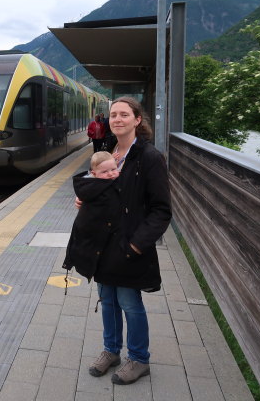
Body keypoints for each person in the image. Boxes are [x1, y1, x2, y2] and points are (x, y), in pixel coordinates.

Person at [78, 97, 172, 385]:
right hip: (104, 243)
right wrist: (85, 200)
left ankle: (139, 359)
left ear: (137, 119)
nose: (117, 119)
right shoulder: (109, 153)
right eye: (113, 115)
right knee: (107, 300)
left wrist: (136, 244)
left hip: (130, 245)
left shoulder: (149, 157)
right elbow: (103, 191)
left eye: (124, 115)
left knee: (129, 301)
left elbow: (161, 210)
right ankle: (111, 351)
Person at [62, 151, 120, 282]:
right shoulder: (105, 187)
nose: (111, 174)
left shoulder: (90, 186)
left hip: (101, 249)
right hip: (102, 247)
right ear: (94, 174)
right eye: (105, 172)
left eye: (114, 169)